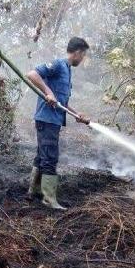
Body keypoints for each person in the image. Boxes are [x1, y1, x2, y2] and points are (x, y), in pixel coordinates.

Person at [26, 37, 90, 210]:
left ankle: (34, 192)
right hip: (46, 120)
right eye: (83, 55)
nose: (82, 59)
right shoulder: (59, 64)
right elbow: (32, 74)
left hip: (52, 120)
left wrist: (77, 114)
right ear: (77, 52)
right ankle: (49, 199)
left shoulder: (68, 70)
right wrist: (47, 92)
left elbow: (61, 101)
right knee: (50, 157)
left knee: (42, 155)